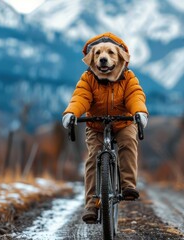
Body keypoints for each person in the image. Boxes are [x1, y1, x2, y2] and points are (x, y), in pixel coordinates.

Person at [61, 32, 148, 223]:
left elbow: (135, 96)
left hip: (124, 122)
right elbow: (80, 97)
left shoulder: (128, 77)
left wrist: (140, 112)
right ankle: (91, 204)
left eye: (110, 53)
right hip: (96, 125)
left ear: (120, 58)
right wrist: (71, 113)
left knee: (128, 142)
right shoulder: (87, 79)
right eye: (99, 53)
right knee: (93, 157)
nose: (103, 57)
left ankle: (128, 186)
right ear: (91, 59)